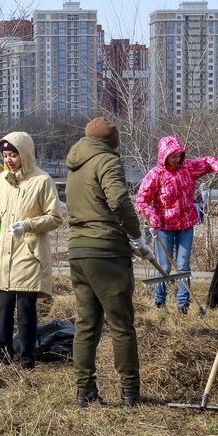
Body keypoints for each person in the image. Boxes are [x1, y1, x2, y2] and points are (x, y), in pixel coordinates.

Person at [63, 117, 150, 407]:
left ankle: (84, 392)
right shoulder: (108, 162)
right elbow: (119, 202)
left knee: (86, 326)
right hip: (106, 252)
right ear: (112, 143)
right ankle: (130, 393)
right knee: (121, 325)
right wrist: (136, 236)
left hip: (78, 251)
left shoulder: (74, 166)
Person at [0, 133, 63, 369]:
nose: (8, 160)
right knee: (3, 309)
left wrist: (28, 225)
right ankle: (3, 357)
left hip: (29, 253)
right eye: (5, 155)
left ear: (25, 154)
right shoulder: (2, 180)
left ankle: (27, 361)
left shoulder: (42, 180)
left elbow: (55, 218)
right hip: (5, 253)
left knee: (26, 311)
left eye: (13, 155)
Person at [134, 135, 218, 314]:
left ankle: (183, 305)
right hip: (163, 228)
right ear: (164, 156)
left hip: (185, 226)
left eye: (179, 155)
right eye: (173, 156)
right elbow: (141, 201)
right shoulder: (155, 174)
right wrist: (153, 221)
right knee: (164, 267)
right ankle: (160, 302)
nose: (177, 159)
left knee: (183, 266)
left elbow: (207, 161)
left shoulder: (187, 168)